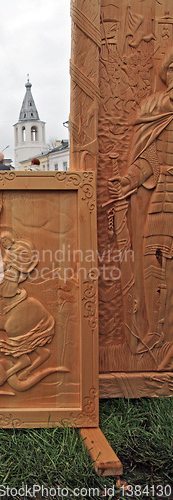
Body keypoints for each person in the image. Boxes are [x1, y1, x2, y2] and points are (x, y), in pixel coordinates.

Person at [108, 47, 173, 350]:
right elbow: (149, 159)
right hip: (164, 197)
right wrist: (128, 180)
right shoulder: (155, 110)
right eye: (172, 69)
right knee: (151, 261)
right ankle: (156, 330)